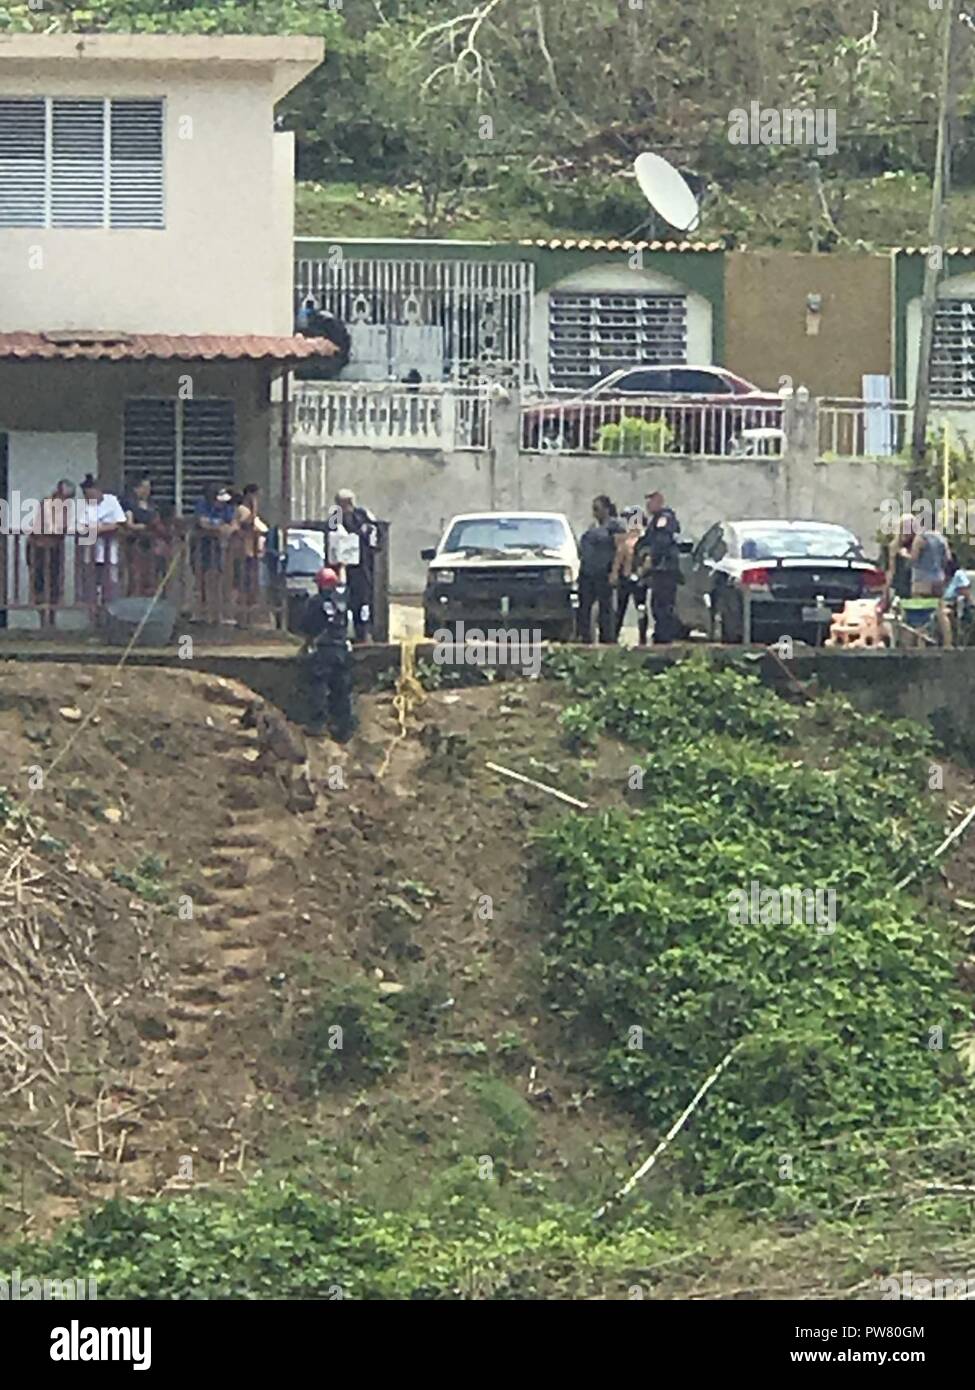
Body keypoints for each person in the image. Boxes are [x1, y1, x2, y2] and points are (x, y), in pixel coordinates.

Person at [300, 565, 355, 742]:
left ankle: (318, 724)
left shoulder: (316, 602)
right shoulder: (342, 602)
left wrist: (307, 644)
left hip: (324, 649)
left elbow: (308, 626)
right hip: (342, 649)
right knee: (341, 688)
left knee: (318, 685)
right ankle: (343, 726)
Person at [635, 489, 682, 644]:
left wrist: (650, 559)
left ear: (659, 500)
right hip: (659, 571)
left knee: (663, 606)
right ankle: (661, 634)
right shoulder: (654, 521)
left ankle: (664, 637)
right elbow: (645, 541)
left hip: (665, 570)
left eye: (651, 500)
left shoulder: (664, 518)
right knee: (657, 605)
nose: (648, 504)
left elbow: (661, 542)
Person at [27, 479, 76, 625]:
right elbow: (48, 526)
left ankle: (52, 618)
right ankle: (43, 619)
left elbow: (64, 526)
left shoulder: (66, 507)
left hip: (54, 548)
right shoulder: (47, 504)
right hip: (39, 547)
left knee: (54, 581)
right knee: (39, 581)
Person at [577, 495, 624, 643]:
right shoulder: (593, 527)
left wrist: (615, 572)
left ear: (606, 509)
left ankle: (608, 639)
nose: (594, 513)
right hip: (588, 573)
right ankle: (585, 637)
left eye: (597, 509)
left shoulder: (615, 526)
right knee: (584, 607)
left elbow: (620, 550)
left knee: (606, 608)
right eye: (593, 509)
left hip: (604, 573)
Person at [334, 488, 379, 643]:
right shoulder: (335, 516)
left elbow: (375, 530)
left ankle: (365, 632)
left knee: (364, 600)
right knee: (342, 600)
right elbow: (332, 534)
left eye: (350, 502)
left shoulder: (362, 514)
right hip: (342, 566)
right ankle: (342, 632)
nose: (349, 506)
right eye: (345, 503)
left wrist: (368, 532)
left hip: (362, 566)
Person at [193, 482, 237, 622]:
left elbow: (233, 524)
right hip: (202, 546)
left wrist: (227, 529)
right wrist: (218, 527)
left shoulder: (227, 507)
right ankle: (200, 612)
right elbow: (202, 522)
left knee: (219, 577)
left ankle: (221, 612)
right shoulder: (202, 505)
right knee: (201, 577)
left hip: (220, 547)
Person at [81, 477, 126, 606]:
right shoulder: (85, 505)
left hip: (110, 551)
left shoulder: (111, 501)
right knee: (93, 584)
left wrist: (101, 528)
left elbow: (120, 523)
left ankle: (111, 607)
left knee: (111, 581)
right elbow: (82, 525)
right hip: (92, 552)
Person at [910, 518, 952, 646]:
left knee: (919, 611)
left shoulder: (921, 538)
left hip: (922, 579)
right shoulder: (941, 538)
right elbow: (948, 558)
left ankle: (921, 643)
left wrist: (904, 555)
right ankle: (947, 643)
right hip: (938, 578)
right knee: (941, 611)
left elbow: (914, 558)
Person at [611, 505, 649, 645]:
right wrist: (615, 573)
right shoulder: (625, 538)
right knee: (620, 609)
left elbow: (647, 558)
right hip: (625, 578)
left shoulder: (644, 538)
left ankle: (643, 637)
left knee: (641, 607)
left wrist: (641, 572)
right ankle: (614, 636)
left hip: (639, 579)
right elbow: (619, 557)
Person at [233, 483, 269, 624]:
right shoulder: (243, 510)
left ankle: (250, 617)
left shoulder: (251, 512)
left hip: (254, 553)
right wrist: (253, 508)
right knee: (242, 583)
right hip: (244, 551)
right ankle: (240, 616)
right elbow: (247, 523)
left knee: (251, 584)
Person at [121, 475, 161, 596]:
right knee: (135, 572)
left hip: (150, 543)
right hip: (135, 542)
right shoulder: (129, 503)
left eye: (148, 487)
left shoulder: (151, 505)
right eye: (144, 487)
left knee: (151, 571)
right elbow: (129, 524)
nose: (147, 490)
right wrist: (143, 527)